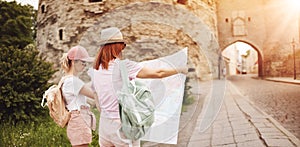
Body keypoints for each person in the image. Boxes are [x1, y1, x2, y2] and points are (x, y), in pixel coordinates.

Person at [90, 27, 188, 147]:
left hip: (104, 126)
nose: (123, 49)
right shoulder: (123, 66)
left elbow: (96, 97)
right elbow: (158, 73)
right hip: (123, 126)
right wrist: (180, 70)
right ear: (116, 46)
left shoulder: (95, 69)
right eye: (122, 45)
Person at [60, 45, 97, 147]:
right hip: (79, 120)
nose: (85, 65)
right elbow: (94, 94)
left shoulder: (68, 79)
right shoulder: (73, 81)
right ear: (73, 62)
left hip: (77, 120)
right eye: (83, 62)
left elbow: (86, 87)